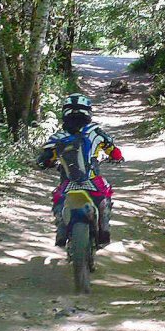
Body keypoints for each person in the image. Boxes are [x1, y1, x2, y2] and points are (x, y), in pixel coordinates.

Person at [36, 93, 124, 247]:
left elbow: (45, 158)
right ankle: (104, 228)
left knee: (58, 199)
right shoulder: (96, 132)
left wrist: (46, 163)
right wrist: (117, 158)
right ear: (88, 112)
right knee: (106, 194)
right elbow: (114, 151)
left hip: (68, 183)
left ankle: (61, 227)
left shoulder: (58, 136)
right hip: (93, 181)